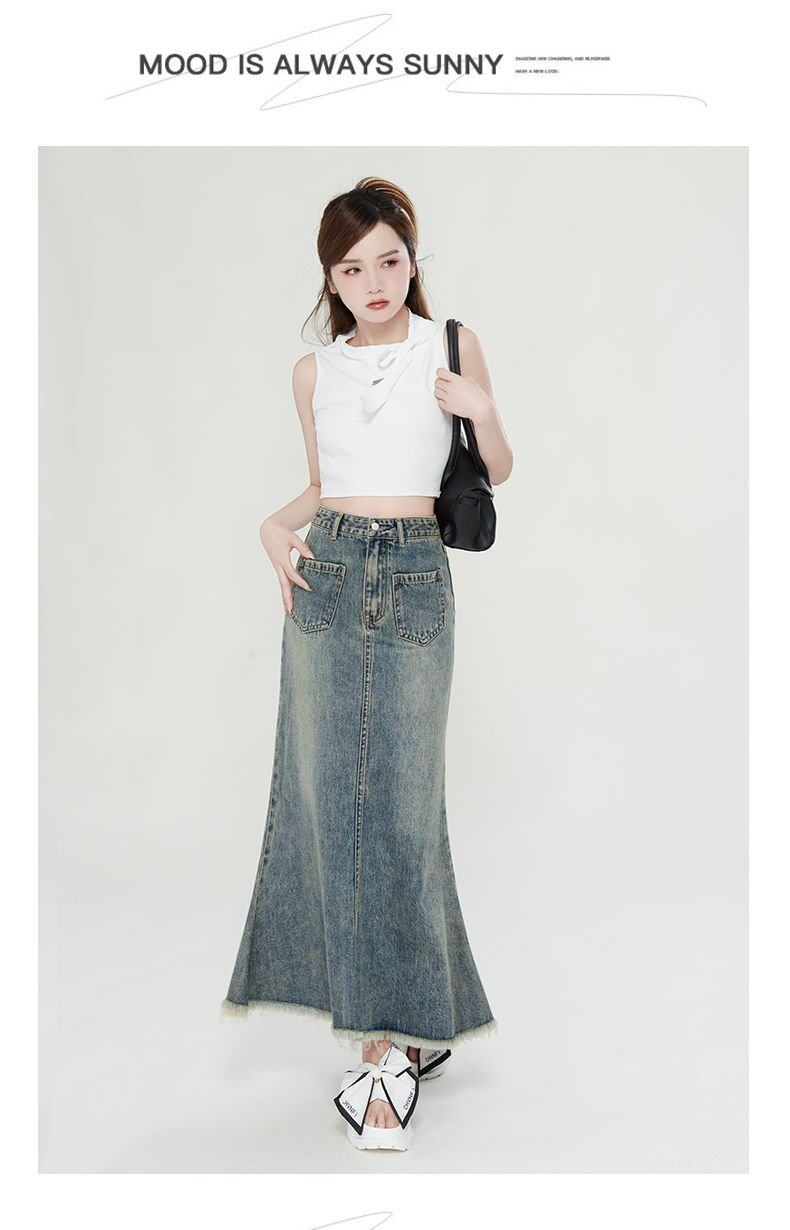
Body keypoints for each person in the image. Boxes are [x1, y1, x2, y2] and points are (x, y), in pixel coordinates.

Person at [221, 176, 514, 1151]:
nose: (374, 282)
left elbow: (496, 468)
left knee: (400, 809)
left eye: (389, 260)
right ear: (331, 280)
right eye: (351, 269)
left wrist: (481, 408)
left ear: (412, 259)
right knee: (325, 805)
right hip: (331, 578)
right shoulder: (314, 373)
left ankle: (404, 1026)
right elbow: (323, 483)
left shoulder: (450, 345)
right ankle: (382, 1045)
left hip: (418, 577)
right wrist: (273, 528)